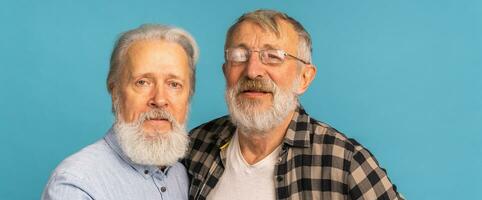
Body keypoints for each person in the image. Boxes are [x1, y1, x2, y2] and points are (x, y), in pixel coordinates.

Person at [184, 10, 404, 200]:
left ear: (305, 78)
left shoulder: (346, 162)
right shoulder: (195, 147)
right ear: (225, 72)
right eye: (239, 56)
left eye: (272, 56)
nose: (252, 71)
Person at [42, 24, 199, 200]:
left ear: (188, 96)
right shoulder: (77, 185)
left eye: (174, 84)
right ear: (115, 91)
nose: (160, 100)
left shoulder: (186, 174)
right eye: (143, 82)